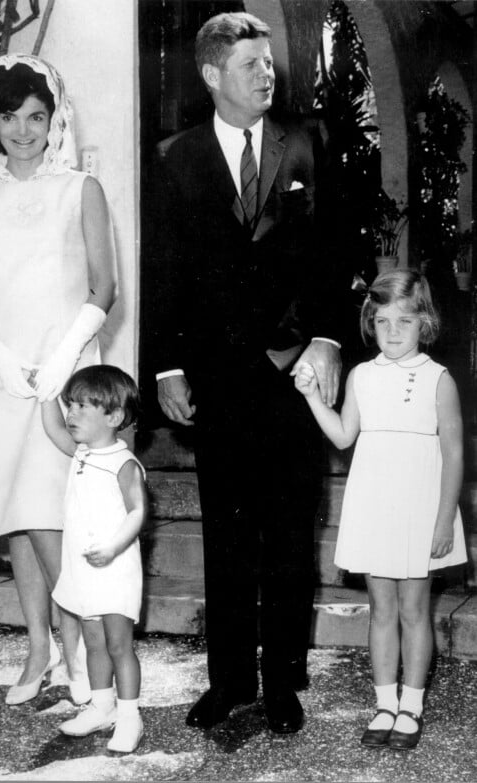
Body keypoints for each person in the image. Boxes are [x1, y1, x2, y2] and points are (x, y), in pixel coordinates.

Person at [147, 12, 352, 733]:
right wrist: (168, 364)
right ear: (212, 76)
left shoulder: (311, 143)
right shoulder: (175, 157)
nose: (267, 75)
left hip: (296, 372)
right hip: (220, 376)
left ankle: (283, 682)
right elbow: (164, 271)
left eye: (268, 64)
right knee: (228, 533)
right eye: (250, 66)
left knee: (290, 532)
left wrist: (327, 339)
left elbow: (335, 253)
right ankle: (229, 679)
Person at [0, 54, 117, 706]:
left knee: (55, 516)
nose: (23, 130)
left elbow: (105, 286)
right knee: (20, 518)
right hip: (4, 373)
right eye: (10, 118)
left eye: (36, 116)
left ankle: (84, 660)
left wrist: (60, 363)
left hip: (65, 374)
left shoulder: (82, 188)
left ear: (54, 119)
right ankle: (38, 652)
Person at [294, 269, 467, 750]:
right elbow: (344, 435)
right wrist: (311, 397)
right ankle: (384, 702)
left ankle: (412, 704)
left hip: (419, 507)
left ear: (424, 323)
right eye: (384, 320)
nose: (394, 331)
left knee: (415, 611)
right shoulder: (361, 375)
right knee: (381, 610)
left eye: (405, 321)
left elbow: (453, 454)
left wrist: (442, 519)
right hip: (374, 504)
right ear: (371, 322)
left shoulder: (438, 379)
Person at [41, 365, 147, 753]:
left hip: (114, 568)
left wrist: (114, 547)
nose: (71, 415)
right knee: (93, 642)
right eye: (71, 405)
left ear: (114, 417)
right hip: (84, 569)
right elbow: (53, 430)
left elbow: (137, 512)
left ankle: (129, 716)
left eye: (83, 407)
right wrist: (47, 394)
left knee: (119, 644)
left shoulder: (124, 463)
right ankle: (101, 706)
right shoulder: (82, 452)